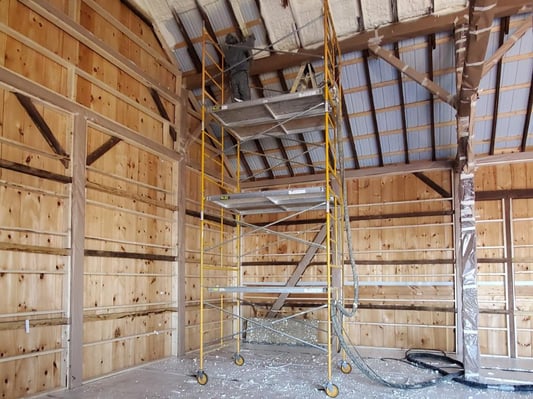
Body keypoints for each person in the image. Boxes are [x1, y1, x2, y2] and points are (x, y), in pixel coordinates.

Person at [224, 32, 255, 102]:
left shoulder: (227, 54)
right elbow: (250, 45)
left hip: (233, 76)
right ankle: (247, 106)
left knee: (236, 96)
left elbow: (227, 67)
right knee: (244, 92)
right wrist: (252, 37)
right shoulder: (239, 46)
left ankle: (238, 107)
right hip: (241, 73)